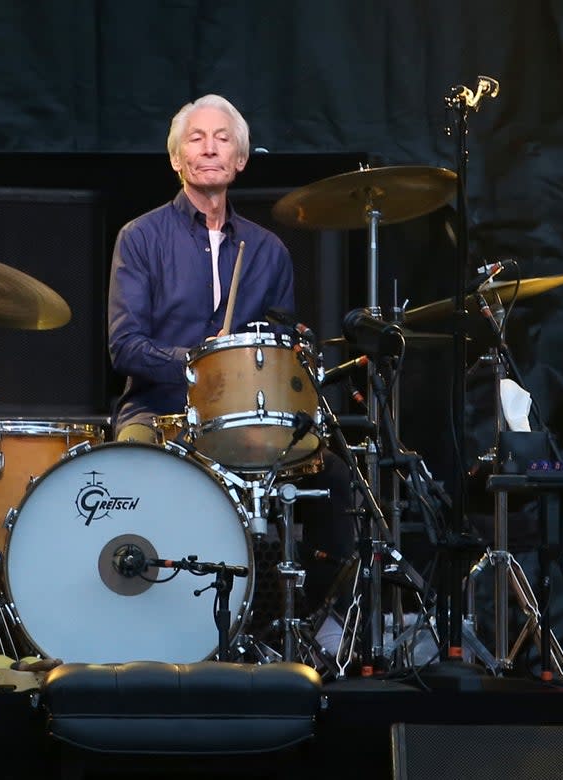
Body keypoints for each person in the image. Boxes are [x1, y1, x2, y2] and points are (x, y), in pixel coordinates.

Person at [106, 93, 356, 627]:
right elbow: (124, 345)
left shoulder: (269, 251)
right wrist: (202, 366)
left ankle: (304, 622)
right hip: (159, 414)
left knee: (334, 476)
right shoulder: (141, 238)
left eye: (223, 139)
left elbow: (284, 348)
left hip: (246, 424)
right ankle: (141, 620)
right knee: (131, 461)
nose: (210, 148)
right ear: (177, 159)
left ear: (240, 159)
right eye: (195, 139)